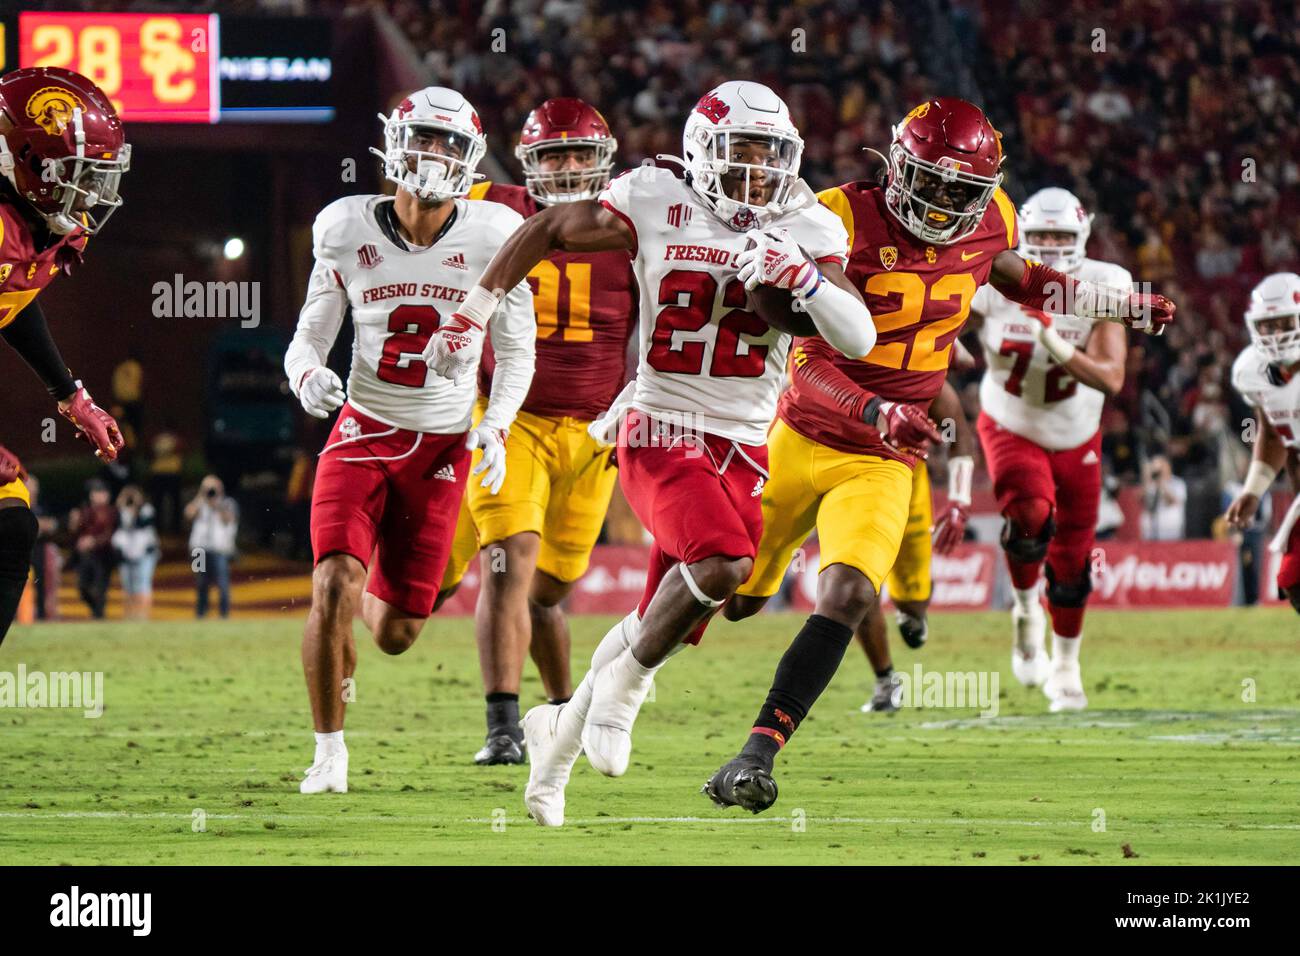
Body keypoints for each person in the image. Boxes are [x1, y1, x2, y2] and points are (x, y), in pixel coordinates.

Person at [707, 101, 1175, 814]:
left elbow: (1023, 280)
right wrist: (875, 408)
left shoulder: (992, 221)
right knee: (734, 596)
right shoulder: (836, 214)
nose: (949, 202)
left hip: (881, 457)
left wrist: (1120, 307)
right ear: (897, 168)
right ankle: (611, 688)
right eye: (935, 182)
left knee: (853, 592)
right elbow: (801, 360)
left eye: (965, 190)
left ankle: (755, 754)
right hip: (801, 431)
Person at [477, 80, 876, 826]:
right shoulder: (658, 194)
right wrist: (478, 303)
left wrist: (808, 281)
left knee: (674, 615)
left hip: (746, 447)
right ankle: (624, 692)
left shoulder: (805, 223)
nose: (756, 173)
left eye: (769, 156)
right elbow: (551, 227)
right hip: (660, 426)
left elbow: (857, 337)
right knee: (724, 564)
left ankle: (550, 751)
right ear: (700, 152)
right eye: (740, 154)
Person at [284, 86, 536, 794]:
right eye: (422, 139)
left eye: (448, 144)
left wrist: (496, 424)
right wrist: (305, 375)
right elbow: (310, 333)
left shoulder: (494, 231)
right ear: (393, 145)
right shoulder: (343, 227)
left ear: (470, 159)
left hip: (444, 447)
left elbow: (518, 351)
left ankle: (352, 610)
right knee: (331, 579)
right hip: (362, 429)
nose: (432, 156)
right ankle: (328, 753)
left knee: (395, 633)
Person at [447, 97, 636, 765]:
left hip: (593, 432)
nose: (567, 166)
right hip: (509, 416)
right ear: (528, 161)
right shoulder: (485, 206)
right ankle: (502, 726)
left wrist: (640, 398)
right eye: (553, 154)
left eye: (580, 153)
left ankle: (561, 715)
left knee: (550, 592)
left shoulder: (632, 219)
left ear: (604, 159)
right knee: (507, 564)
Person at [967, 187, 1133, 710]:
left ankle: (1065, 663)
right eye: (1042, 237)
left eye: (1063, 237)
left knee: (1072, 562)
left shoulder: (1105, 283)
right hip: (1010, 420)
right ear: (1022, 238)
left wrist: (1057, 344)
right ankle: (1023, 610)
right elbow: (943, 325)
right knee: (1030, 514)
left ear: (1083, 237)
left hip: (1077, 430)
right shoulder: (995, 279)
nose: (1054, 247)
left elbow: (1111, 379)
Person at [0, 67, 129, 645]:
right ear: (30, 163)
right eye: (79, 177)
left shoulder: (35, 225)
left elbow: (13, 299)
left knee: (11, 522)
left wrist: (71, 395)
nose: (93, 196)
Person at [857, 379, 975, 713]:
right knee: (856, 586)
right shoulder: (826, 361)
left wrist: (959, 499)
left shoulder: (918, 370)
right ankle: (885, 681)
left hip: (906, 481)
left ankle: (913, 607)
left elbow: (957, 435)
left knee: (912, 603)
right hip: (847, 482)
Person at [1225, 272, 1300, 613]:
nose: (1275, 334)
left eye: (1284, 323)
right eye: (1267, 325)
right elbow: (1272, 432)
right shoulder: (1250, 370)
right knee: (1294, 579)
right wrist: (1254, 489)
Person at [186, 475, 238, 619]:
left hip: (219, 549)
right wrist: (201, 497)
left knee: (222, 583)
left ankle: (224, 615)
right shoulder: (199, 503)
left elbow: (230, 519)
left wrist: (217, 503)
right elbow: (189, 515)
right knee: (201, 582)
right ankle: (201, 614)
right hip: (199, 550)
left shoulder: (227, 503)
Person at [69, 480, 116, 620]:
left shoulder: (112, 512)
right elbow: (75, 533)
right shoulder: (84, 511)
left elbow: (111, 533)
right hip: (86, 556)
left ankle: (98, 616)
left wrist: (93, 541)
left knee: (100, 588)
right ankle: (96, 613)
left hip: (104, 555)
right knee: (83, 587)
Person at [112, 485, 159, 620]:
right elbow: (117, 525)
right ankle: (130, 616)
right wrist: (121, 504)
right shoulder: (120, 511)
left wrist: (135, 507)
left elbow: (142, 523)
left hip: (145, 552)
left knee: (143, 583)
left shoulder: (147, 509)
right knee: (127, 586)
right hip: (125, 553)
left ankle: (143, 616)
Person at [1141, 455, 1187, 540]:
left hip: (1171, 529)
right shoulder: (1151, 484)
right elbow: (1141, 501)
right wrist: (1146, 478)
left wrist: (1161, 483)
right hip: (1152, 530)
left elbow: (1173, 501)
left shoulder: (1177, 483)